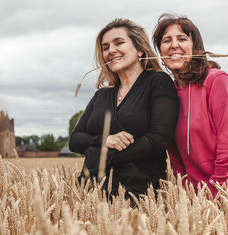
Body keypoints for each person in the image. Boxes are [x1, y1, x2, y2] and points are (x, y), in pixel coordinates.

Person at [152, 13, 228, 195]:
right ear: (161, 51)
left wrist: (216, 192)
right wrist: (190, 198)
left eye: (182, 39)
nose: (174, 45)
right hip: (205, 192)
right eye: (166, 40)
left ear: (195, 46)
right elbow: (176, 160)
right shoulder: (168, 95)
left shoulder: (216, 80)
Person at [69, 18, 180, 199]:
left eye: (119, 43)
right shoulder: (101, 96)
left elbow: (159, 139)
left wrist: (100, 157)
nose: (111, 50)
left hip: (140, 195)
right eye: (105, 47)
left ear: (140, 50)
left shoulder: (158, 82)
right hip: (90, 195)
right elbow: (75, 140)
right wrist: (105, 140)